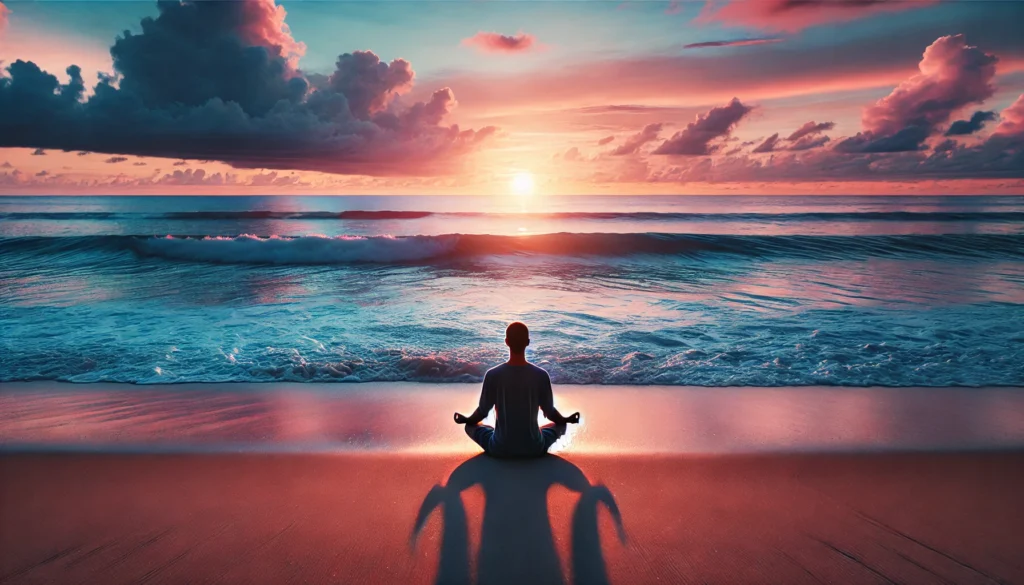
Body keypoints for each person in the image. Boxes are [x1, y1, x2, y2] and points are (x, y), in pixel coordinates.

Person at [454, 322, 580, 458]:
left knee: (470, 427)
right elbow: (550, 413)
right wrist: (567, 419)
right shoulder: (541, 375)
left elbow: (482, 412)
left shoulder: (493, 374)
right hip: (534, 449)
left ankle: (498, 436)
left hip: (500, 449)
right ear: (528, 342)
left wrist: (466, 419)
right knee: (560, 426)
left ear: (506, 342)